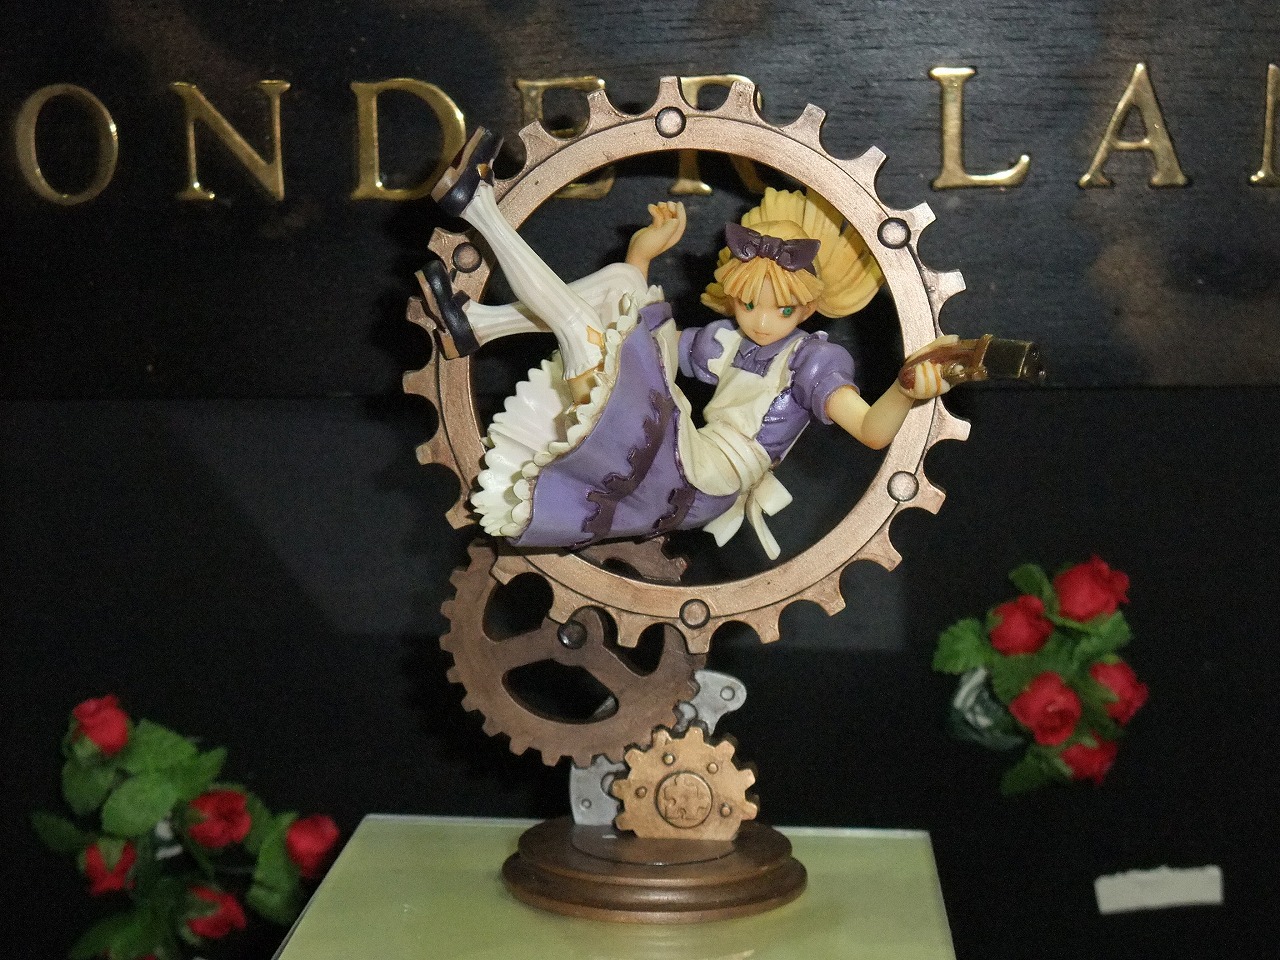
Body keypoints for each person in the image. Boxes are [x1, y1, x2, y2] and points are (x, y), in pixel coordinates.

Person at [418, 129, 955, 559]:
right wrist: (641, 256)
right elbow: (639, 335)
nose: (762, 322)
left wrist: (907, 391)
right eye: (748, 304)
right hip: (686, 447)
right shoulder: (726, 341)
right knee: (622, 286)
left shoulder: (811, 362)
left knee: (590, 338)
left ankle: (479, 208)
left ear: (810, 308)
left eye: (783, 310)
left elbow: (871, 431)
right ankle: (480, 325)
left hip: (703, 478)